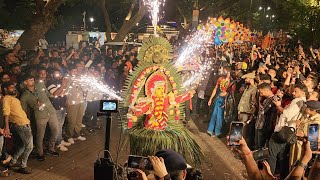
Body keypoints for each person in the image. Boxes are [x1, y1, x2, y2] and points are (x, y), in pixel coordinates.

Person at [267, 84, 308, 178]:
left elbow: (287, 114)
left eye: (295, 91)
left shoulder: (298, 102)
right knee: (282, 157)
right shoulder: (303, 102)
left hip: (283, 130)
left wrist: (278, 105)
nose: (293, 93)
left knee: (271, 154)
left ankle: (269, 176)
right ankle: (283, 176)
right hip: (289, 132)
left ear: (303, 92)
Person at [20, 74, 60, 161]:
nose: (33, 81)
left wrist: (57, 94)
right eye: (30, 80)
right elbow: (24, 110)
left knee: (56, 130)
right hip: (40, 115)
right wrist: (35, 106)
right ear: (25, 82)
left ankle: (51, 148)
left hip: (51, 111)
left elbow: (48, 94)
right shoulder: (24, 96)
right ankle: (40, 153)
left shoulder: (40, 85)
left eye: (33, 79)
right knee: (40, 135)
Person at [2, 82, 33, 174]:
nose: (14, 88)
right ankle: (23, 166)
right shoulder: (7, 99)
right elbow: (6, 113)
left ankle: (12, 162)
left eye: (14, 87)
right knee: (29, 147)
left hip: (23, 124)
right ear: (5, 89)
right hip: (21, 125)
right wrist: (6, 128)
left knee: (23, 145)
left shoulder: (12, 98)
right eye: (11, 87)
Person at [290, 100, 320, 169]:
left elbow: (313, 138)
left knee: (299, 166)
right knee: (292, 164)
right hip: (296, 143)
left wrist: (303, 135)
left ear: (311, 110)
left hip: (304, 146)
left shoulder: (317, 120)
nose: (304, 108)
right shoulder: (307, 116)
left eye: (306, 107)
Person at [47, 69, 71, 151]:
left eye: (59, 74)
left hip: (62, 106)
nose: (59, 76)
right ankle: (58, 144)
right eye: (56, 74)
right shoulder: (50, 83)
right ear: (52, 75)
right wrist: (63, 85)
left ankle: (60, 140)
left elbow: (64, 93)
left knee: (61, 125)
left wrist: (66, 100)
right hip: (56, 108)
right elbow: (56, 94)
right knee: (56, 126)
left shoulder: (61, 82)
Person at [207, 66, 235, 137]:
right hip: (218, 98)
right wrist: (210, 99)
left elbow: (232, 94)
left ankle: (217, 132)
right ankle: (210, 129)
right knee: (214, 114)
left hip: (225, 101)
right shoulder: (220, 79)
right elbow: (215, 89)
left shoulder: (232, 82)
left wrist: (226, 100)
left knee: (220, 116)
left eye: (224, 70)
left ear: (228, 72)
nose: (222, 72)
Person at [65, 65, 86, 144]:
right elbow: (65, 90)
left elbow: (84, 88)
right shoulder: (67, 79)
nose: (75, 72)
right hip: (72, 102)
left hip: (80, 101)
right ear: (69, 71)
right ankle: (69, 136)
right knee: (71, 120)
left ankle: (77, 134)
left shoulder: (79, 78)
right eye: (73, 71)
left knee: (79, 119)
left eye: (76, 71)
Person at [238, 72, 258, 148]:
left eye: (247, 78)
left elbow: (254, 104)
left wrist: (251, 116)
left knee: (244, 134)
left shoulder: (254, 90)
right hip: (241, 112)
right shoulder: (247, 88)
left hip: (246, 114)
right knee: (240, 132)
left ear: (251, 79)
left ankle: (243, 151)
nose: (245, 80)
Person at [255, 83, 278, 149]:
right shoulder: (265, 99)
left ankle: (259, 159)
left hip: (264, 125)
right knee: (257, 143)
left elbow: (264, 111)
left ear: (267, 90)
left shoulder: (273, 99)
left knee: (260, 146)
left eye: (262, 92)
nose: (261, 94)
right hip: (259, 124)